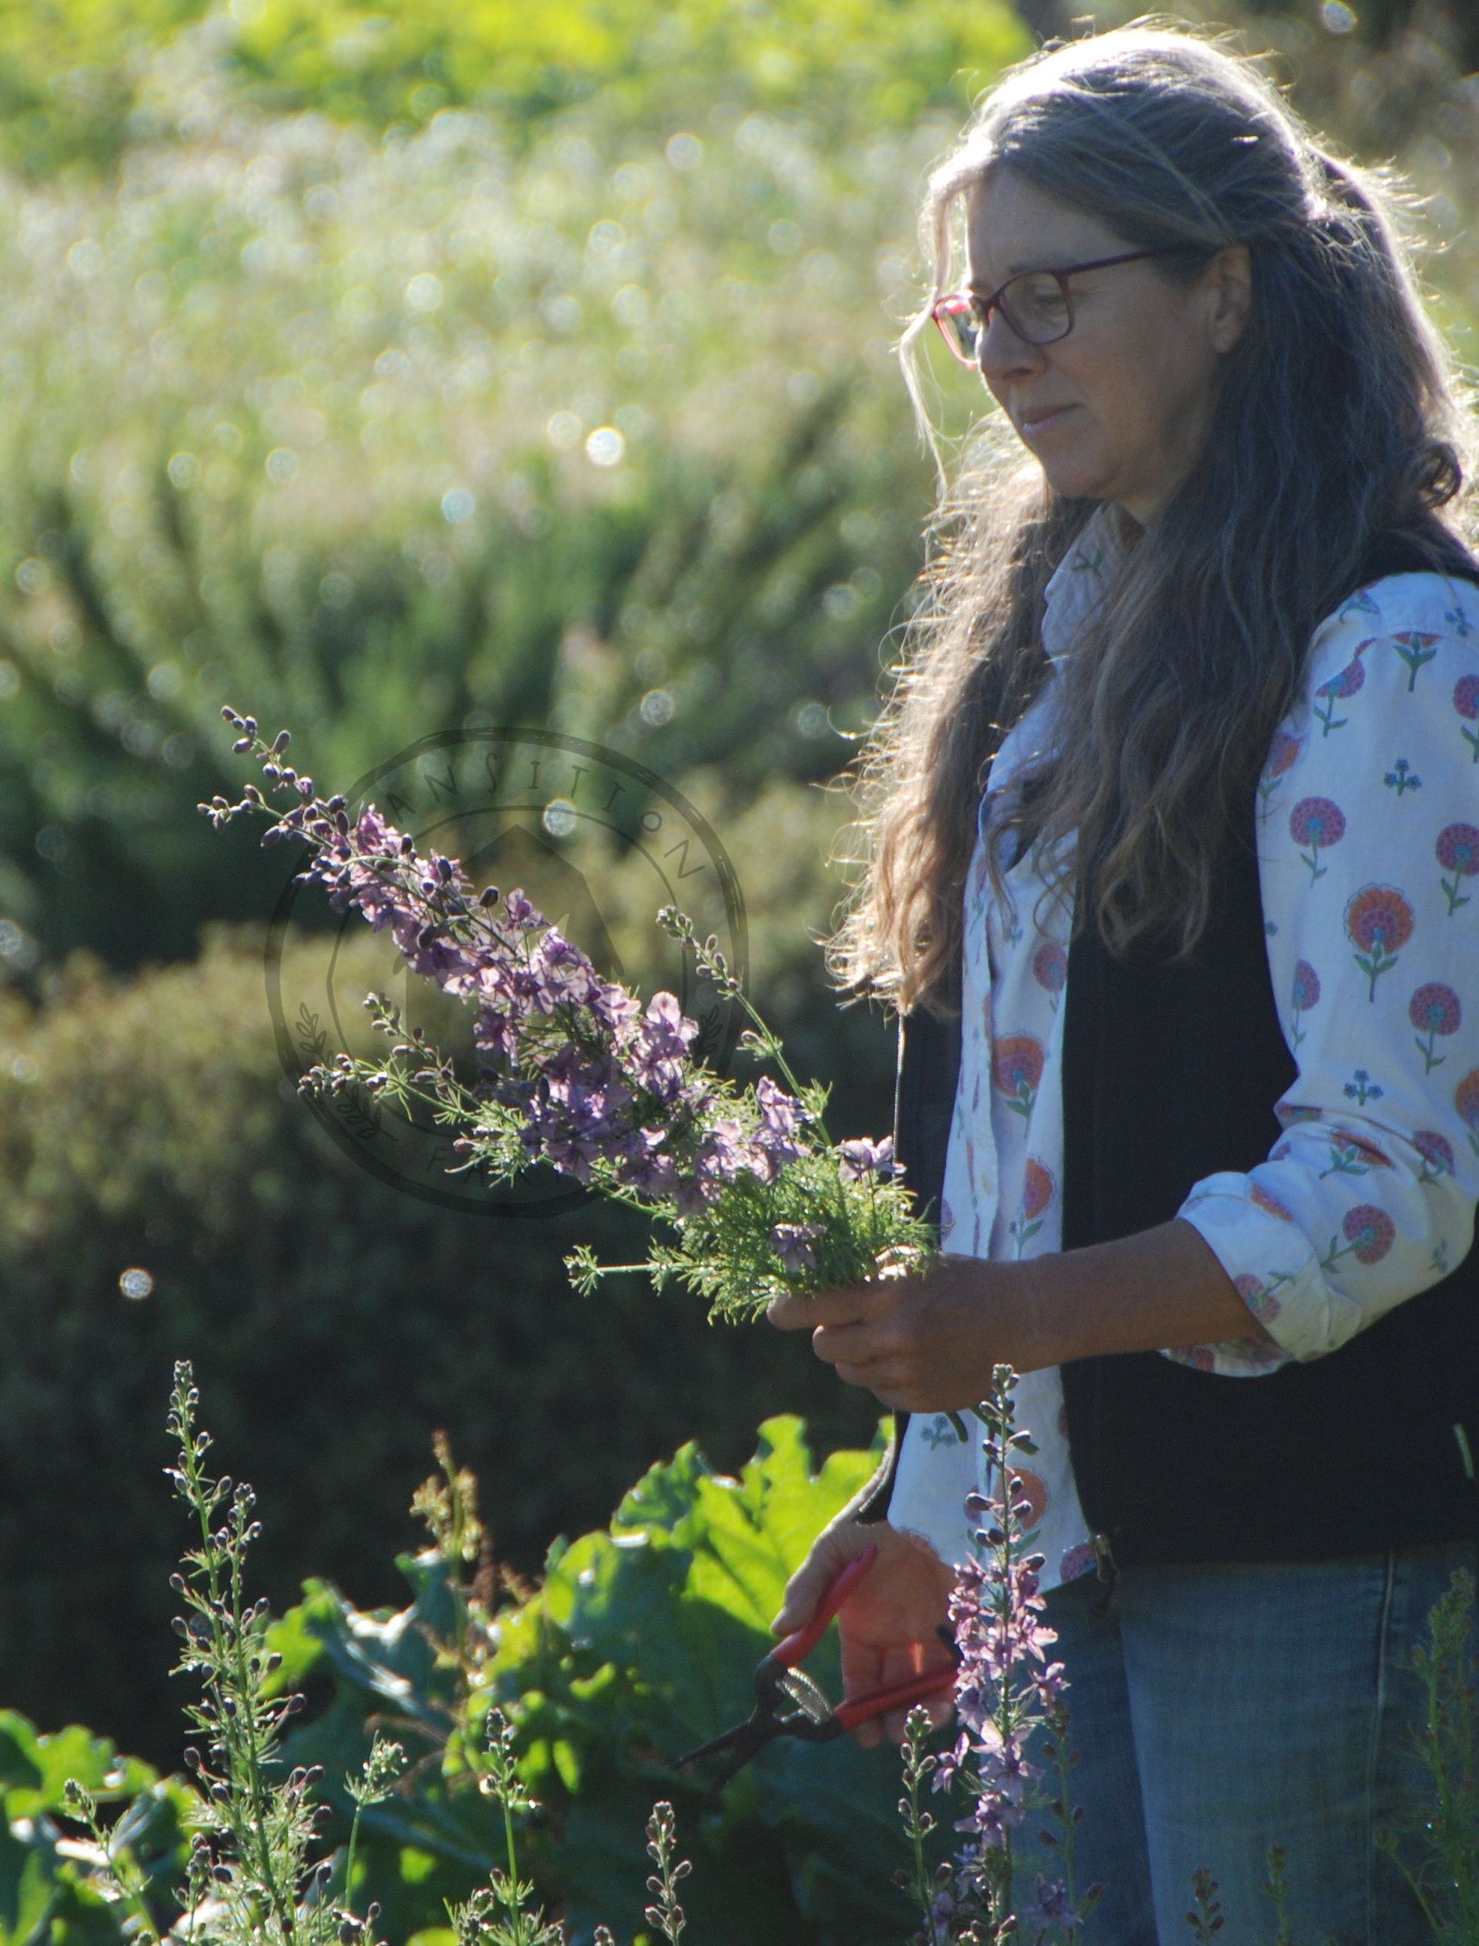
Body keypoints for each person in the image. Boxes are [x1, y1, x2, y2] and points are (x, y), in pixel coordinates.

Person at [766, 25, 1479, 1946]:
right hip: (1049, 1546)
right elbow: (994, 1135)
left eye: (1052, 295)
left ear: (1226, 289)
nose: (1000, 352)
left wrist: (1010, 1323)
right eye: (972, 309)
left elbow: (1390, 1179)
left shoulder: (1389, 644)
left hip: (1309, 1559)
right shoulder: (1048, 638)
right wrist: (926, 1486)